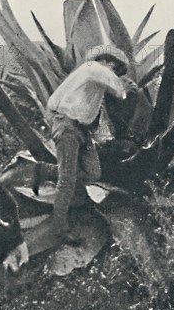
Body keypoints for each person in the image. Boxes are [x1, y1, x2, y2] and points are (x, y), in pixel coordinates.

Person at [46, 46, 135, 244]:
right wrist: (124, 89)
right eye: (116, 69)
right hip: (67, 126)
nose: (115, 73)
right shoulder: (92, 67)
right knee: (67, 180)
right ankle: (59, 229)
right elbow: (120, 92)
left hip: (81, 131)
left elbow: (94, 115)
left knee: (93, 173)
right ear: (109, 62)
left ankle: (45, 171)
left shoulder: (93, 85)